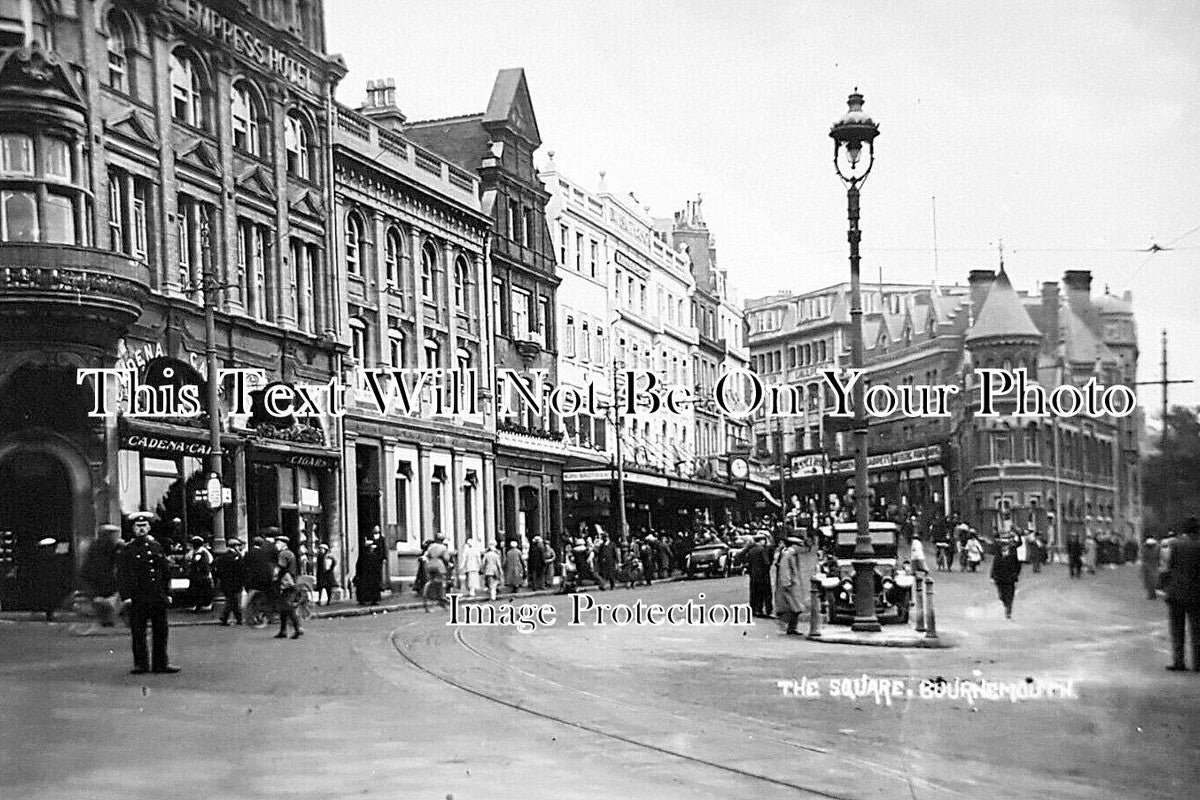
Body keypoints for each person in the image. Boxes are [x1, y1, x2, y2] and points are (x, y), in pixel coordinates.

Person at [117, 513, 179, 674]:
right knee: (139, 632)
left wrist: (168, 593)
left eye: (144, 525)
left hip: (157, 596)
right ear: (133, 529)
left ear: (149, 527)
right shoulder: (128, 550)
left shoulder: (156, 547)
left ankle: (161, 663)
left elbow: (164, 572)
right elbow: (122, 575)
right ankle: (141, 664)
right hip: (138, 597)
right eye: (138, 526)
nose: (141, 529)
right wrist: (126, 596)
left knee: (161, 631)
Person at [1164, 517, 1200, 672]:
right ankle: (1198, 662)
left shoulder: (1176, 545)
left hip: (1176, 592)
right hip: (1196, 594)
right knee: (1197, 630)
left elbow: (1170, 566)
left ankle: (1178, 661)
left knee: (1177, 629)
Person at [82, 524, 122, 627]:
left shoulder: (98, 546)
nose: (116, 537)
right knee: (104, 599)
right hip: (101, 580)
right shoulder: (100, 547)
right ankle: (106, 618)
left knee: (105, 600)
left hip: (104, 580)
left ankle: (107, 619)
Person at [772, 536, 805, 635]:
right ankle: (789, 626)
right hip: (790, 585)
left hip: (793, 584)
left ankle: (791, 627)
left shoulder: (791, 554)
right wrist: (786, 582)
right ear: (793, 545)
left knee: (795, 606)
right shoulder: (788, 554)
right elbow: (784, 569)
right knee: (794, 606)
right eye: (799, 545)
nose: (801, 548)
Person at [273, 538, 303, 639]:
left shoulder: (283, 554)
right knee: (283, 608)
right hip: (291, 581)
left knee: (287, 607)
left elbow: (281, 568)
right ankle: (283, 630)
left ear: (283, 544)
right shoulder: (291, 553)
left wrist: (276, 577)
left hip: (286, 582)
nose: (276, 545)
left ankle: (297, 629)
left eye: (278, 543)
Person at [213, 538, 245, 625]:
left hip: (226, 582)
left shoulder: (223, 556)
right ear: (235, 546)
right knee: (233, 601)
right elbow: (241, 570)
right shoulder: (236, 556)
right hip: (235, 583)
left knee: (232, 601)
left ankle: (237, 619)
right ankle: (226, 617)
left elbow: (219, 570)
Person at [991, 533, 1022, 619]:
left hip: (1010, 578)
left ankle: (1008, 611)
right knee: (1002, 596)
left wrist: (1016, 574)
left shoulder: (1013, 555)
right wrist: (992, 576)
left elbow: (1018, 566)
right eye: (1003, 545)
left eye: (1006, 545)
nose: (1004, 547)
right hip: (999, 578)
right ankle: (1006, 604)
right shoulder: (998, 555)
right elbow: (994, 565)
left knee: (1010, 595)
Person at [744, 534, 773, 619]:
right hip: (763, 575)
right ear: (761, 541)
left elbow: (746, 560)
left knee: (754, 593)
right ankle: (767, 611)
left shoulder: (751, 550)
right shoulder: (762, 549)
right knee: (766, 593)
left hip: (753, 575)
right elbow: (766, 562)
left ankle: (754, 610)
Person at [355, 528, 384, 605]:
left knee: (373, 587)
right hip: (366, 575)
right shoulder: (365, 556)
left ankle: (373, 599)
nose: (372, 549)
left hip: (372, 575)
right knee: (366, 587)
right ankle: (366, 599)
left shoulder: (373, 556)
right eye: (371, 548)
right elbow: (360, 565)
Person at [421, 535, 450, 610]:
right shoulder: (443, 547)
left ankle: (429, 592)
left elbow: (426, 555)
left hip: (430, 564)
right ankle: (442, 596)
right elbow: (446, 558)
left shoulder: (431, 546)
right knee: (442, 580)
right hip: (439, 564)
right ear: (442, 540)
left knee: (431, 580)